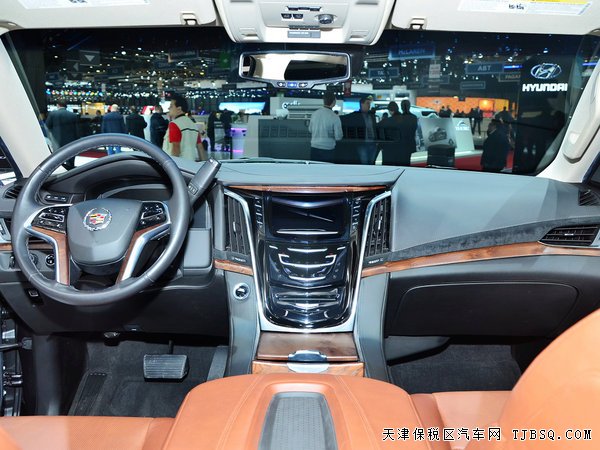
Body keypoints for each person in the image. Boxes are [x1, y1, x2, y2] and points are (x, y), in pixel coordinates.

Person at [163, 94, 207, 161]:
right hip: (190, 164)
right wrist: (204, 163)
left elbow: (176, 148)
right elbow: (200, 148)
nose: (168, 108)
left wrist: (172, 166)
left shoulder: (175, 124)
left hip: (178, 165)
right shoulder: (193, 125)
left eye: (171, 106)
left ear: (179, 109)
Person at [378, 100, 418, 166]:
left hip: (391, 150)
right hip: (407, 147)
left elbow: (378, 127)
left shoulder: (388, 121)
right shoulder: (411, 118)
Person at [340, 95, 378, 164]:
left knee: (372, 163)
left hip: (372, 143)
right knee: (364, 162)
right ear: (361, 104)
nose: (369, 105)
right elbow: (344, 118)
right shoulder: (356, 115)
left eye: (369, 104)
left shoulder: (371, 116)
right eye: (367, 103)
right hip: (362, 143)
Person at [308, 91, 343, 163]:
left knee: (314, 168)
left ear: (323, 101)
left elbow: (310, 130)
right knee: (327, 169)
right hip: (328, 149)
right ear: (334, 102)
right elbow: (338, 137)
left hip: (314, 147)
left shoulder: (315, 114)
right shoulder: (335, 117)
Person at [45, 100, 79, 169]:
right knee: (71, 160)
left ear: (58, 105)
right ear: (66, 106)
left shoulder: (53, 114)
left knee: (58, 160)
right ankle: (71, 172)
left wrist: (50, 137)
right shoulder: (73, 115)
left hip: (57, 140)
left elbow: (47, 126)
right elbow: (77, 130)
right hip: (70, 141)